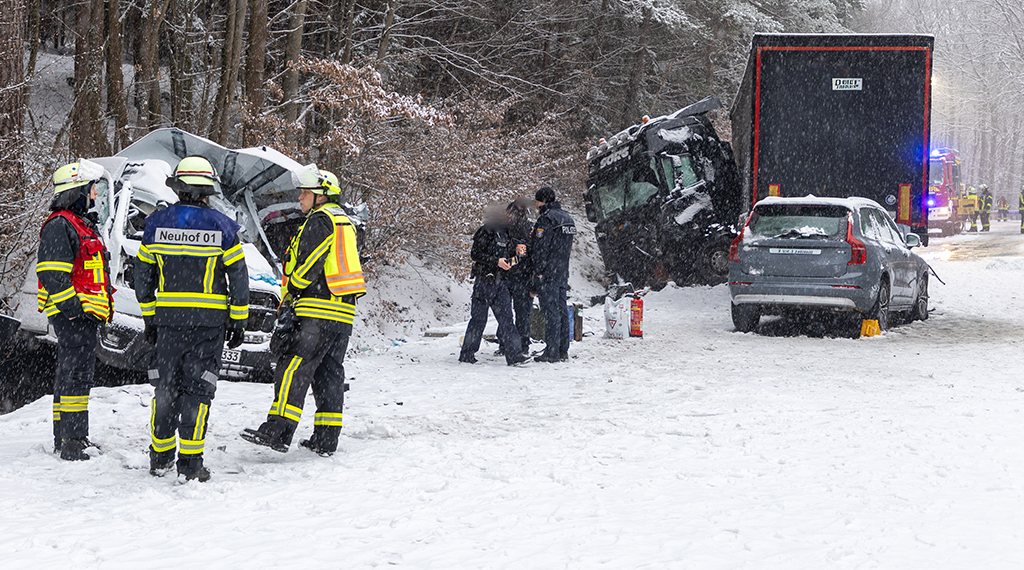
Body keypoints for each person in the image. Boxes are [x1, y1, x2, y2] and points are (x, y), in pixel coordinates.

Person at [135, 156, 249, 482]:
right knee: (198, 390)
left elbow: (142, 278)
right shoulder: (223, 227)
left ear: (179, 188)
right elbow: (238, 278)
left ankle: (160, 458)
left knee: (165, 388)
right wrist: (238, 321)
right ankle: (190, 464)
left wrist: (150, 318)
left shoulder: (156, 225)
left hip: (168, 324)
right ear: (207, 191)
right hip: (207, 327)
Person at [241, 165, 366, 456]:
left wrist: (293, 291)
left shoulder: (321, 220)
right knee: (328, 374)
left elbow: (310, 262)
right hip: (341, 313)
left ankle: (277, 431)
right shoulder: (344, 221)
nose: (299, 197)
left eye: (305, 192)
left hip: (317, 310)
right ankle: (326, 439)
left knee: (293, 367)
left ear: (321, 195)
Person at [36, 160, 112, 461]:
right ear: (77, 190)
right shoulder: (60, 224)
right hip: (74, 316)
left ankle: (66, 437)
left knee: (70, 374)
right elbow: (52, 274)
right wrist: (73, 309)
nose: (95, 194)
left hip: (81, 315)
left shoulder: (78, 223)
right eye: (91, 188)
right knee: (76, 376)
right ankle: (73, 441)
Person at [458, 203, 527, 366]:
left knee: (507, 320)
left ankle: (515, 356)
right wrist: (496, 261)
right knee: (478, 320)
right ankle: (467, 354)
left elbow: (510, 259)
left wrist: (517, 257)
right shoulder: (486, 231)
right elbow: (475, 254)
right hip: (485, 280)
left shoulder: (509, 233)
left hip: (501, 281)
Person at [530, 187, 576, 363]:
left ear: (542, 201)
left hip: (548, 272)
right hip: (562, 271)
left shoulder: (547, 219)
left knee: (551, 312)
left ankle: (551, 351)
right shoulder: (567, 218)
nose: (535, 205)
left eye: (536, 201)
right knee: (561, 310)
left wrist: (538, 271)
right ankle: (563, 349)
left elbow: (541, 249)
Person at [504, 199, 533, 357]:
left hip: (510, 273)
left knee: (506, 313)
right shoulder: (530, 229)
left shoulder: (508, 228)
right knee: (522, 313)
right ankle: (523, 343)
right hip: (524, 274)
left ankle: (507, 343)